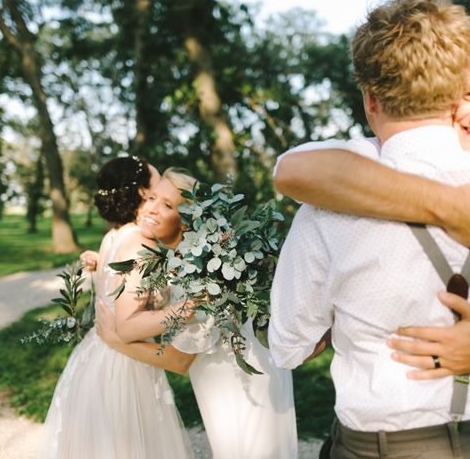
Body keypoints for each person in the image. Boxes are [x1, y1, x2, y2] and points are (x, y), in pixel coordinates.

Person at [269, 0, 470, 459]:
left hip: (388, 446)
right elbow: (297, 170)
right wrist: (453, 206)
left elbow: (290, 347)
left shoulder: (328, 205)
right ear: (452, 92)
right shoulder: (347, 176)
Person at [95, 168, 298, 459]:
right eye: (152, 198)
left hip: (244, 381)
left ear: (188, 220)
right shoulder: (180, 259)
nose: (151, 208)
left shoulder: (201, 273)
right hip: (221, 379)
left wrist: (114, 340)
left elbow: (179, 360)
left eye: (167, 205)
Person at [41, 157, 194, 459]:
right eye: (152, 192)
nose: (155, 200)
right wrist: (185, 308)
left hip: (95, 356)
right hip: (124, 366)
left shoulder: (113, 236)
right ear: (141, 195)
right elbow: (128, 322)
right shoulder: (141, 245)